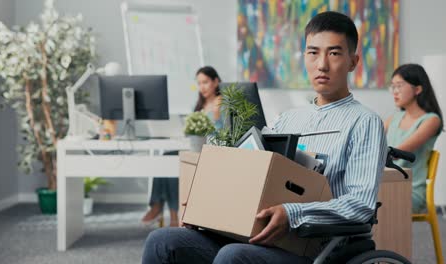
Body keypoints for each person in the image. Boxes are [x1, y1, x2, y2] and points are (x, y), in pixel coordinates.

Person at [142, 11, 387, 263]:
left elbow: (360, 205)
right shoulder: (287, 119)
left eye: (334, 53)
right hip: (259, 234)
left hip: (317, 246)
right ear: (304, 56)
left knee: (233, 256)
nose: (321, 64)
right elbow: (251, 175)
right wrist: (208, 210)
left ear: (353, 61)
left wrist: (292, 213)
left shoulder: (365, 122)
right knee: (162, 241)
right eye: (313, 52)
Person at [141, 66, 224, 227]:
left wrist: (215, 115)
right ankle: (163, 208)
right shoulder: (200, 104)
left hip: (209, 150)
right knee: (165, 158)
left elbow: (221, 132)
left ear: (216, 81)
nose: (202, 87)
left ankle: (170, 213)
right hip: (195, 146)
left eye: (205, 82)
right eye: (199, 83)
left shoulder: (220, 103)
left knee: (175, 161)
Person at [384, 64, 443, 213]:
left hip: (411, 190)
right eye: (393, 87)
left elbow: (397, 153)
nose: (394, 92)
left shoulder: (431, 120)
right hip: (386, 183)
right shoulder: (393, 119)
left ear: (417, 89)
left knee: (367, 200)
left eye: (399, 86)